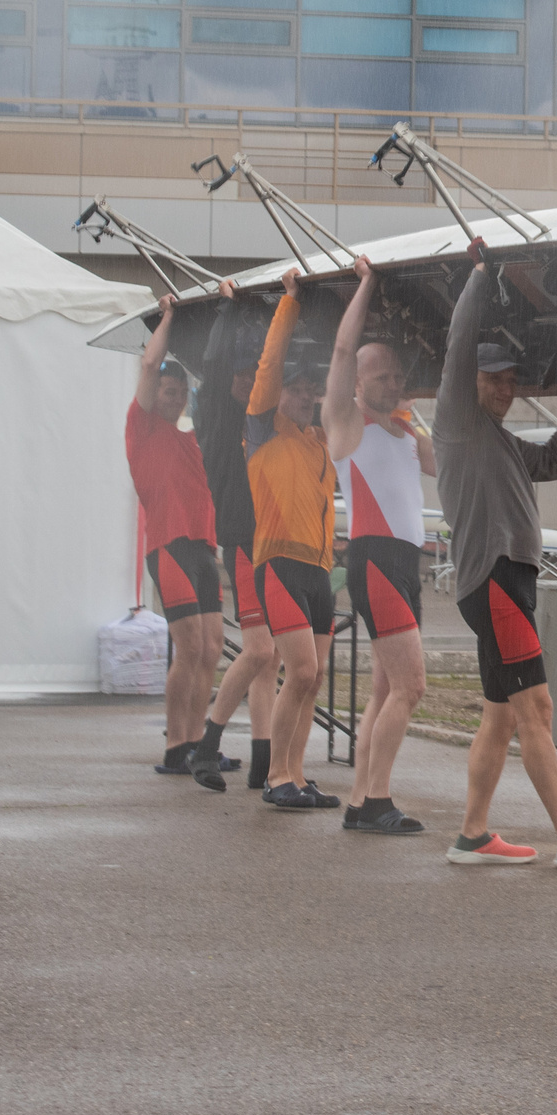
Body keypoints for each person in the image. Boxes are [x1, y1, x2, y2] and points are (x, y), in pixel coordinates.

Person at [433, 243, 557, 870]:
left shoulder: (498, 440)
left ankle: (472, 833)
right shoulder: (458, 423)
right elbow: (459, 345)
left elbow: (549, 463)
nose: (503, 386)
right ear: (472, 381)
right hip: (494, 578)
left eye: (510, 380)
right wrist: (480, 276)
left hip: (506, 579)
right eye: (493, 377)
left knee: (500, 717)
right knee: (536, 707)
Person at [219, 268, 342, 808]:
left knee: (312, 682)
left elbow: (346, 394)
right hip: (277, 563)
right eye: (298, 388)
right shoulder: (263, 428)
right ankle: (275, 780)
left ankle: (294, 773)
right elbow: (269, 365)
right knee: (304, 671)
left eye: (312, 389)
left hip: (319, 568)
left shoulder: (320, 437)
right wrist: (290, 305)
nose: (307, 396)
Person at [323, 255, 433, 837]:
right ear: (360, 381)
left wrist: (413, 416)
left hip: (403, 561)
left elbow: (444, 463)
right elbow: (342, 354)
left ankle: (363, 796)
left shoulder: (405, 427)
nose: (393, 383)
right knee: (412, 686)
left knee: (387, 688)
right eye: (381, 376)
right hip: (375, 558)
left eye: (397, 375)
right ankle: (377, 802)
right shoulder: (347, 421)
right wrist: (365, 287)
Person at [126, 297, 221, 776]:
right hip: (168, 547)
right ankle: (174, 747)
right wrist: (167, 320)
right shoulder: (141, 429)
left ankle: (198, 741)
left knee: (210, 648)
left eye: (179, 392)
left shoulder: (191, 440)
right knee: (187, 647)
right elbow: (147, 364)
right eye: (167, 391)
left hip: (203, 548)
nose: (174, 398)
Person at [187, 288, 277, 790]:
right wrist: (228, 310)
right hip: (241, 541)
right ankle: (207, 747)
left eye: (254, 374)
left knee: (272, 659)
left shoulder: (262, 421)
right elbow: (216, 365)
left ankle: (263, 762)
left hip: (270, 544)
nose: (246, 381)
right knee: (260, 651)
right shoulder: (219, 416)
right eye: (241, 375)